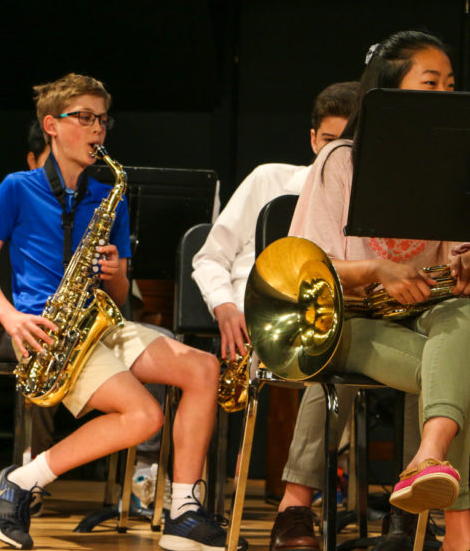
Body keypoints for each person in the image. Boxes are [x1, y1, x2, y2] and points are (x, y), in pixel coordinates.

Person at [0, 73, 225, 551]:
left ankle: (184, 511)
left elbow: (124, 295)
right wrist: (11, 318)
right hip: (46, 330)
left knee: (204, 368)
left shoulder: (110, 194)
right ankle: (22, 482)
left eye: (102, 120)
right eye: (84, 118)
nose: (97, 130)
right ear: (51, 125)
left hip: (101, 323)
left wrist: (114, 275)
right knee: (145, 415)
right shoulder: (17, 187)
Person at [274, 30, 470, 551]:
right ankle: (456, 533)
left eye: (451, 84)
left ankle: (428, 457)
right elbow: (307, 268)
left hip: (429, 312)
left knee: (464, 327)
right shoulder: (341, 160)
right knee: (460, 374)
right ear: (389, 90)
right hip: (350, 315)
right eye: (431, 82)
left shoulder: (451, 165)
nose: (447, 94)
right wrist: (378, 270)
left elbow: (453, 259)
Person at [192, 80, 359, 359]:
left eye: (346, 144)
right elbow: (211, 257)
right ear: (313, 140)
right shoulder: (267, 179)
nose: (334, 154)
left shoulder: (364, 205)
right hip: (253, 320)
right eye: (329, 141)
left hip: (327, 323)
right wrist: (225, 307)